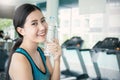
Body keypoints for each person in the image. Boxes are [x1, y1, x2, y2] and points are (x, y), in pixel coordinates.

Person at [6, 3, 61, 80]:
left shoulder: (42, 52)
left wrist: (57, 59)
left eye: (43, 20)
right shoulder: (19, 59)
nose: (42, 27)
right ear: (21, 31)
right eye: (34, 23)